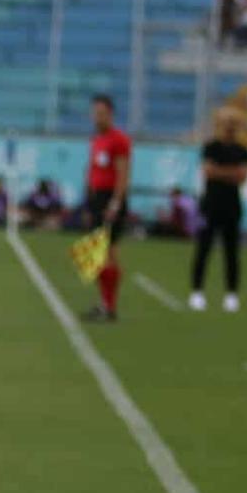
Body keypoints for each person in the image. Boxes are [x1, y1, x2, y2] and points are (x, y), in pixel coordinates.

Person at [190, 108, 247, 312]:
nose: (229, 126)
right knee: (203, 249)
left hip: (232, 207)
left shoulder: (242, 150)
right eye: (226, 122)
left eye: (233, 122)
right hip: (210, 206)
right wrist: (231, 173)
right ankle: (197, 291)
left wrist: (220, 172)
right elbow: (208, 172)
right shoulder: (211, 147)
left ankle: (231, 294)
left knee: (232, 252)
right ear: (219, 124)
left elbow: (243, 176)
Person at [81, 93, 132, 322]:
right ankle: (103, 303)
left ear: (110, 114)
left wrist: (115, 202)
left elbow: (122, 174)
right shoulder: (96, 140)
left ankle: (110, 306)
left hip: (109, 198)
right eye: (95, 113)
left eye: (101, 113)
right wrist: (87, 201)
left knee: (109, 251)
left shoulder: (119, 140)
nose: (97, 117)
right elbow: (92, 170)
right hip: (96, 199)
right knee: (95, 255)